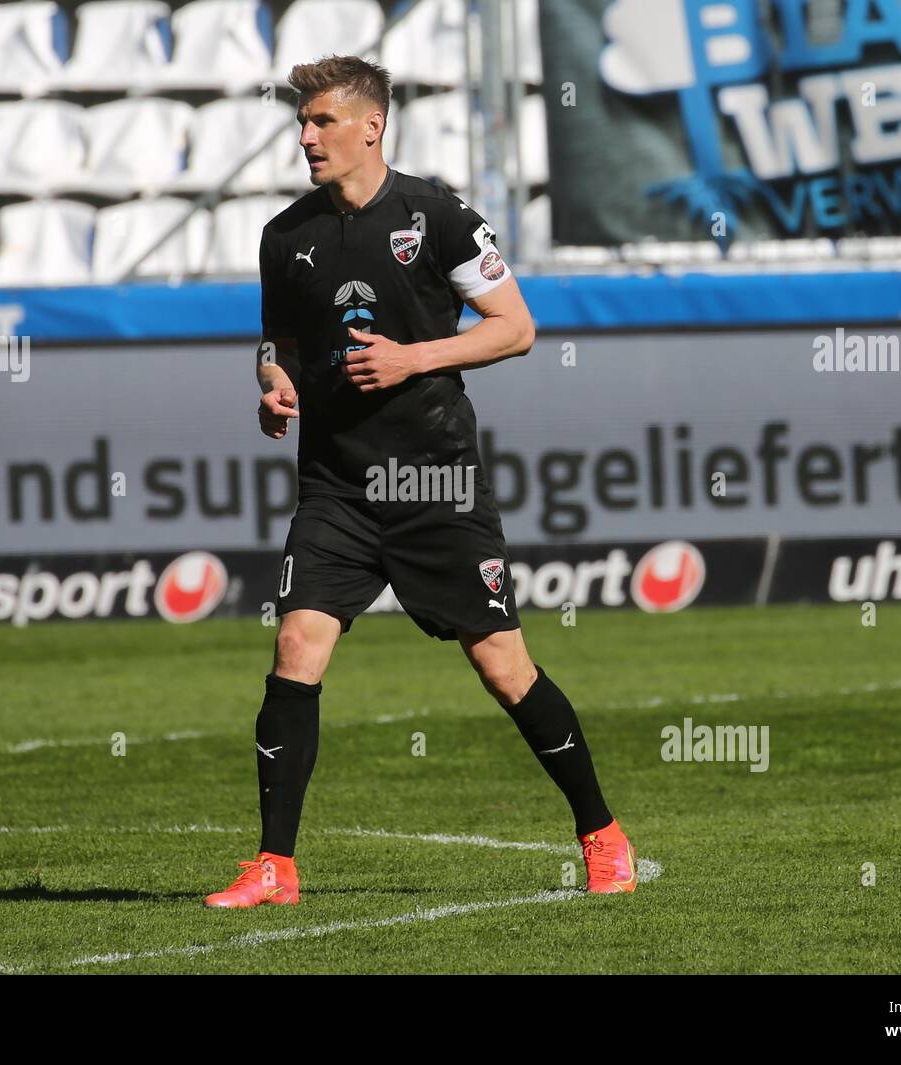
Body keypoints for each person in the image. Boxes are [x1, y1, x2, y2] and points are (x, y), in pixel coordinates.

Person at [205, 55, 636, 908]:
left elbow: (514, 328)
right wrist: (271, 379)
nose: (305, 137)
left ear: (372, 125)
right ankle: (274, 867)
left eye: (322, 121)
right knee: (297, 646)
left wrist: (415, 356)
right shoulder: (285, 235)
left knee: (503, 667)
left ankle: (602, 833)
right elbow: (277, 342)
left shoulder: (435, 215)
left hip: (433, 481)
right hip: (336, 484)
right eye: (301, 122)